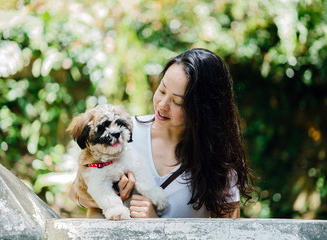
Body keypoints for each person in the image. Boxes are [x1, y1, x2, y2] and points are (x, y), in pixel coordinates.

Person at [69, 48, 256, 218]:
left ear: (202, 111)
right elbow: (76, 191)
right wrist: (109, 199)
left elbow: (227, 232)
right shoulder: (123, 132)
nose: (162, 105)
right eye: (162, 89)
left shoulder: (220, 163)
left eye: (177, 102)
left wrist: (156, 224)